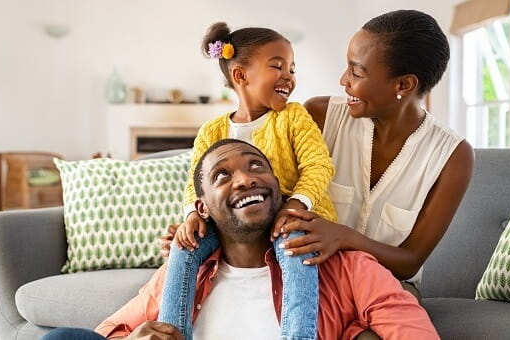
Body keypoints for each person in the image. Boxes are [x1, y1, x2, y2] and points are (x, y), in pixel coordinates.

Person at [87, 139, 437, 340]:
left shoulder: (347, 267)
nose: (244, 180)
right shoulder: (182, 274)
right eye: (223, 175)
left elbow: (414, 332)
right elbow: (107, 330)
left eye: (257, 167)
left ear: (281, 192)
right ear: (202, 208)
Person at [273, 9, 474, 300]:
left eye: (356, 72)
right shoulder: (318, 117)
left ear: (403, 85)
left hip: (386, 289)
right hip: (308, 276)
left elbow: (410, 261)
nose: (343, 80)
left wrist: (345, 237)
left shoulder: (453, 157)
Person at [159, 23, 337, 340]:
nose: (289, 77)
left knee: (295, 244)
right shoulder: (211, 131)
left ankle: (298, 335)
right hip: (233, 224)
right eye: (277, 66)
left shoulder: (294, 116)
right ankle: (171, 332)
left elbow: (318, 164)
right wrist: (191, 215)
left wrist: (295, 205)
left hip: (289, 215)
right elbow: (195, 183)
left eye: (292, 69)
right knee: (184, 248)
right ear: (241, 76)